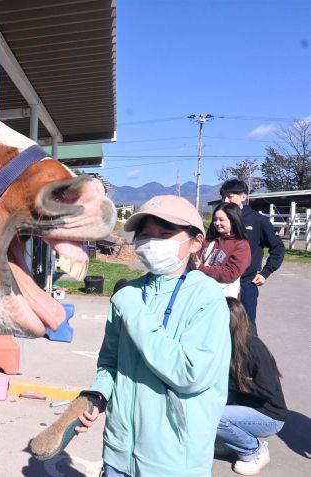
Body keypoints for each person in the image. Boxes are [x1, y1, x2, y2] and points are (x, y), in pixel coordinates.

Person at [75, 195, 231, 477]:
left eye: (166, 234)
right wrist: (98, 394)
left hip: (173, 460)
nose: (152, 242)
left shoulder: (206, 297)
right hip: (118, 452)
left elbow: (189, 373)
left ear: (196, 241)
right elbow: (110, 361)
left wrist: (134, 310)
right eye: (145, 236)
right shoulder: (129, 294)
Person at [217, 298, 286, 475]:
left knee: (215, 416)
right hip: (244, 406)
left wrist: (233, 385)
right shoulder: (225, 344)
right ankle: (233, 442)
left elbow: (267, 390)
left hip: (269, 415)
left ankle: (253, 450)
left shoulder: (253, 347)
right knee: (207, 407)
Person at [219, 179, 285, 327]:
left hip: (246, 283)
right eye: (223, 196)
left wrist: (265, 272)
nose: (225, 200)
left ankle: (249, 351)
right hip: (220, 281)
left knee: (246, 327)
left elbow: (278, 248)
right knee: (219, 324)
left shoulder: (258, 220)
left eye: (230, 196)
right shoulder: (219, 220)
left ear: (243, 197)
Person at [194, 202, 251, 298]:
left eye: (221, 220)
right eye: (215, 219)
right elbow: (195, 258)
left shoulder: (241, 245)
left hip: (223, 297)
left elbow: (231, 273)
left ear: (233, 220)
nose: (217, 223)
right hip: (201, 293)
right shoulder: (209, 240)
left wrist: (202, 267)